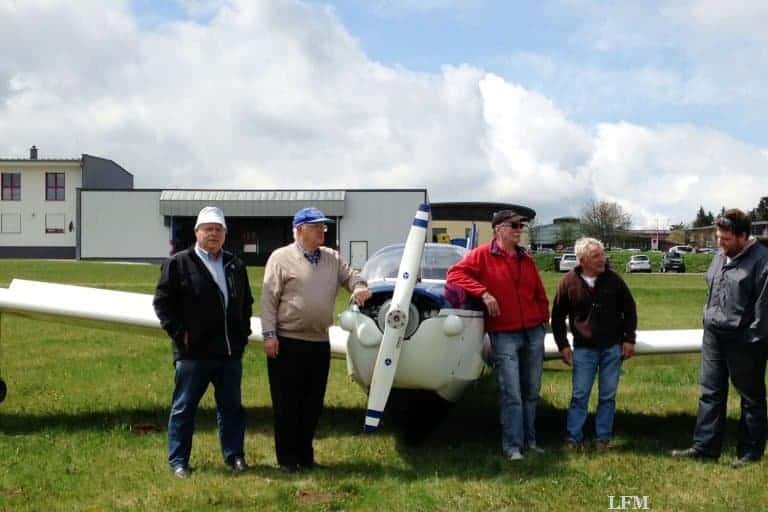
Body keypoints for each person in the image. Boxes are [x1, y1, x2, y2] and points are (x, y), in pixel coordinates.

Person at [260, 206, 371, 472]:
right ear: (299, 230)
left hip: (319, 342)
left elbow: (351, 276)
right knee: (287, 403)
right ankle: (287, 460)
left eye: (323, 226)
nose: (322, 231)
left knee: (312, 404)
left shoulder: (332, 257)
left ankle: (305, 456)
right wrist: (269, 334)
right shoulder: (280, 258)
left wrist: (359, 286)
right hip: (287, 340)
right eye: (316, 226)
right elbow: (268, 299)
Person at [153, 206, 254, 479]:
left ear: (225, 234)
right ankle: (179, 461)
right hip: (193, 354)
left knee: (232, 408)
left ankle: (235, 456)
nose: (213, 234)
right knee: (184, 408)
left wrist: (242, 334)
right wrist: (181, 334)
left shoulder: (235, 265)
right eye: (208, 229)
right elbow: (162, 304)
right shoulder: (178, 263)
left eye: (218, 229)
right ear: (197, 232)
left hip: (229, 353)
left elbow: (246, 302)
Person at [446, 209, 549, 460]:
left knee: (531, 390)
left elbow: (538, 292)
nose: (519, 230)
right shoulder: (481, 255)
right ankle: (513, 446)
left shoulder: (526, 259)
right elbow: (455, 274)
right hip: (504, 333)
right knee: (511, 392)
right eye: (514, 225)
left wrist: (542, 318)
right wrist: (483, 293)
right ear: (498, 229)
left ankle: (530, 441)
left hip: (533, 331)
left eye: (521, 226)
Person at [672, 209, 768, 468]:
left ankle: (750, 452)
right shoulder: (719, 256)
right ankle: (705, 447)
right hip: (714, 335)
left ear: (743, 236)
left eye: (726, 239)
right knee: (710, 392)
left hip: (744, 339)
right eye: (718, 237)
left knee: (751, 397)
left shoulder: (762, 261)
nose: (720, 243)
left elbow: (764, 308)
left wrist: (753, 341)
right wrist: (707, 318)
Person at [551, 237, 637, 450]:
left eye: (602, 254)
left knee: (608, 396)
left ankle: (603, 439)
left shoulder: (614, 280)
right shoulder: (568, 282)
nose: (602, 259)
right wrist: (563, 345)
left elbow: (629, 310)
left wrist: (629, 339)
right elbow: (558, 316)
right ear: (582, 260)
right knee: (580, 395)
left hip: (611, 347)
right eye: (596, 256)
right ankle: (573, 438)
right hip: (583, 349)